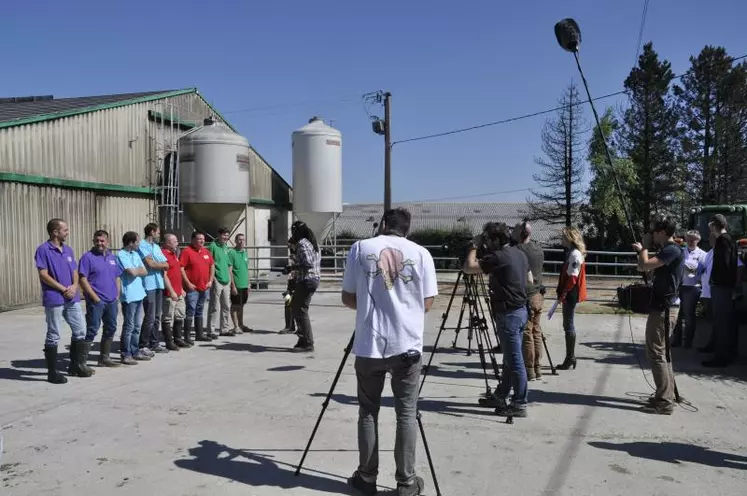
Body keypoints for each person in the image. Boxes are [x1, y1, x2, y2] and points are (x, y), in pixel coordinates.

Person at [341, 207, 437, 496]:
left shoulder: (360, 247)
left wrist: (374, 307)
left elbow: (348, 298)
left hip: (370, 346)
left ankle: (367, 477)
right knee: (406, 413)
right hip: (406, 345)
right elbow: (428, 303)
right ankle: (406, 482)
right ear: (408, 228)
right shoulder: (421, 254)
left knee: (368, 412)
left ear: (383, 224)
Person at [464, 222, 533, 418]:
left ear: (495, 239)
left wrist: (473, 247)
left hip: (509, 314)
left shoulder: (499, 256)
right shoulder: (519, 253)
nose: (486, 243)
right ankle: (501, 394)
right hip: (520, 310)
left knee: (515, 361)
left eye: (487, 239)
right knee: (510, 359)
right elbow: (529, 280)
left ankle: (520, 403)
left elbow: (469, 267)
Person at [632, 218, 684, 415]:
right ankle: (666, 394)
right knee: (661, 352)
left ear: (662, 232)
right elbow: (649, 270)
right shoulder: (666, 251)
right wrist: (641, 251)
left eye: (654, 232)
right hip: (662, 306)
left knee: (656, 353)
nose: (651, 235)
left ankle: (664, 401)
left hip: (664, 308)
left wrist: (644, 247)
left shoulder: (672, 250)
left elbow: (643, 266)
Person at [35, 218, 92, 383]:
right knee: (54, 334)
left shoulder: (68, 250)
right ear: (55, 232)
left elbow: (74, 270)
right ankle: (52, 373)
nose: (67, 233)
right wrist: (62, 288)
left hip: (72, 297)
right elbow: (43, 274)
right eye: (65, 230)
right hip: (55, 297)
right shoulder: (43, 250)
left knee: (80, 330)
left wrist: (74, 286)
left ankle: (76, 365)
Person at [78, 230, 122, 367]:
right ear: (93, 241)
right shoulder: (87, 257)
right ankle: (81, 362)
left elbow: (117, 277)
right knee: (92, 329)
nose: (99, 243)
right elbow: (82, 279)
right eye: (97, 240)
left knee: (111, 328)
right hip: (96, 301)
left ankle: (104, 358)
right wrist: (95, 298)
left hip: (112, 301)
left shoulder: (112, 258)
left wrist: (117, 294)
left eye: (102, 241)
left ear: (107, 242)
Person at [703, 214, 739, 368]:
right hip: (726, 287)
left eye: (711, 225)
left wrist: (717, 281)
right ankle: (727, 354)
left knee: (721, 323)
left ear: (715, 225)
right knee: (726, 322)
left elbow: (724, 264)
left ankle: (721, 357)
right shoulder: (730, 239)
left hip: (721, 287)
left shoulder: (722, 241)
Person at [512, 220, 545, 381]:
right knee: (536, 332)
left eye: (515, 230)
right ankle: (538, 368)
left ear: (521, 233)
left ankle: (529, 369)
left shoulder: (518, 250)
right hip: (538, 294)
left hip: (526, 295)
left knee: (527, 334)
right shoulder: (538, 248)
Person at [555, 226, 588, 370]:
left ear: (569, 238)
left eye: (563, 237)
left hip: (570, 292)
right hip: (569, 292)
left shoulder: (574, 254)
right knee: (567, 324)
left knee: (568, 325)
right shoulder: (572, 253)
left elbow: (573, 277)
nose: (561, 239)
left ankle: (570, 357)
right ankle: (570, 357)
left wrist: (564, 292)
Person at [287, 221, 321, 352]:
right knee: (296, 307)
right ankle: (302, 339)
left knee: (300, 309)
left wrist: (292, 267)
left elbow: (308, 264)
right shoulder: (312, 242)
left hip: (307, 279)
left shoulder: (302, 243)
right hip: (312, 279)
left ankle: (307, 342)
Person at [138, 223, 170, 355]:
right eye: (157, 232)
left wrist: (158, 264)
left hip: (158, 284)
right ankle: (143, 344)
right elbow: (150, 264)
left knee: (157, 316)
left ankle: (154, 343)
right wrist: (158, 264)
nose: (159, 234)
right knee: (150, 316)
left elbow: (166, 264)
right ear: (151, 232)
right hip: (148, 284)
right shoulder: (142, 245)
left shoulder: (156, 247)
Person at [117, 231, 149, 365]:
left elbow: (144, 271)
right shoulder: (121, 255)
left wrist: (137, 271)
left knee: (137, 325)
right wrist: (136, 271)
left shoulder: (135, 254)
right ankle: (126, 353)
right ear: (131, 242)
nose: (139, 244)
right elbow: (131, 272)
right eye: (137, 241)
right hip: (129, 295)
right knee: (129, 326)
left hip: (139, 293)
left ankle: (135, 351)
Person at [671, 230, 706, 349]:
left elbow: (698, 270)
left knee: (689, 315)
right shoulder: (681, 251)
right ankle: (676, 339)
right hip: (679, 285)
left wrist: (687, 266)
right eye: (689, 239)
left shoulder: (702, 254)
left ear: (698, 240)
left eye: (693, 240)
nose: (690, 242)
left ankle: (688, 341)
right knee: (677, 315)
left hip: (692, 287)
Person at [181, 231, 215, 342]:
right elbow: (181, 268)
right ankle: (186, 336)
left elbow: (212, 265)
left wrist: (210, 280)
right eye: (199, 239)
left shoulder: (206, 251)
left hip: (204, 287)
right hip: (193, 288)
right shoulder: (187, 251)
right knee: (190, 310)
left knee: (199, 310)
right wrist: (188, 283)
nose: (202, 241)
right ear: (193, 240)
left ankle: (199, 334)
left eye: (203, 239)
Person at [161, 233, 189, 349]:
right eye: (175, 241)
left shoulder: (174, 254)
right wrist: (171, 291)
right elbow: (164, 275)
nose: (177, 243)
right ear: (168, 243)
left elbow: (177, 273)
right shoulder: (163, 255)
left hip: (178, 291)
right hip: (169, 293)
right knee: (168, 316)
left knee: (180, 315)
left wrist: (181, 288)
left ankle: (178, 338)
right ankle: (169, 341)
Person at [207, 227, 234, 337]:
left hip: (226, 280)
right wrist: (212, 278)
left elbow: (228, 265)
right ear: (218, 235)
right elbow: (209, 264)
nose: (225, 237)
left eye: (227, 236)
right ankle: (211, 330)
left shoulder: (226, 247)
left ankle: (224, 329)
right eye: (224, 235)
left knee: (226, 306)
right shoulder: (212, 246)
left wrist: (230, 280)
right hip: (217, 279)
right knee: (214, 306)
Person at [228, 233, 253, 334]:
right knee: (235, 306)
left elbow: (246, 269)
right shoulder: (232, 253)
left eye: (243, 240)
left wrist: (248, 283)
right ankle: (236, 326)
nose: (241, 241)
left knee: (241, 305)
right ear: (235, 240)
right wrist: (232, 285)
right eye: (239, 240)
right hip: (236, 284)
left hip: (244, 284)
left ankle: (241, 324)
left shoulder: (245, 253)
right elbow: (230, 270)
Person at [279, 240, 298, 334]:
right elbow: (287, 270)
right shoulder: (291, 255)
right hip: (290, 285)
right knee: (287, 303)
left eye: (290, 245)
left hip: (298, 284)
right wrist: (288, 268)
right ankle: (289, 326)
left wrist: (293, 267)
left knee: (297, 306)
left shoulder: (301, 254)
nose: (289, 247)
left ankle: (300, 327)